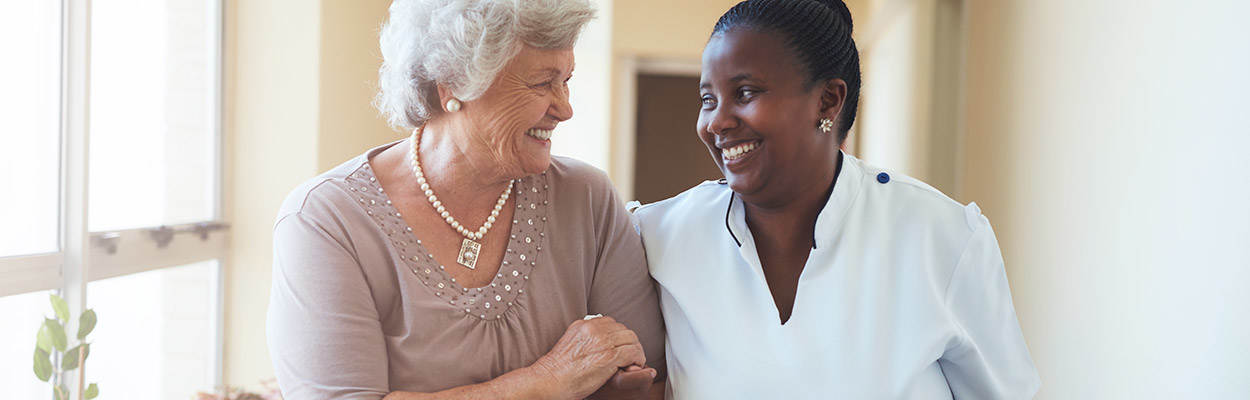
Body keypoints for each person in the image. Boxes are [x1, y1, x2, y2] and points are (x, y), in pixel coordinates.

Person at [632, 0, 1040, 398]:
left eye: (745, 93)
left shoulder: (942, 237)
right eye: (708, 100)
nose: (716, 122)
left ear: (828, 100)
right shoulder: (657, 237)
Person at [266, 1, 664, 398]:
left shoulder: (586, 198)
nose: (565, 108)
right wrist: (550, 380)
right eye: (542, 83)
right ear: (453, 85)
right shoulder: (327, 220)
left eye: (566, 81)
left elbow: (653, 378)